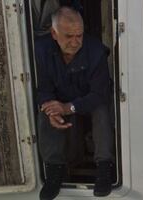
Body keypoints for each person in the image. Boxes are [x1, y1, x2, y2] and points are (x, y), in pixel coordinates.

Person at [35, 6, 113, 200]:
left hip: (89, 101)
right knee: (47, 111)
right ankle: (54, 171)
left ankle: (104, 167)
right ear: (54, 33)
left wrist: (69, 107)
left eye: (79, 35)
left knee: (101, 110)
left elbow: (99, 93)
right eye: (69, 36)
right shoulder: (41, 49)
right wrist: (51, 108)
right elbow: (43, 88)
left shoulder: (95, 50)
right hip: (62, 99)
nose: (76, 41)